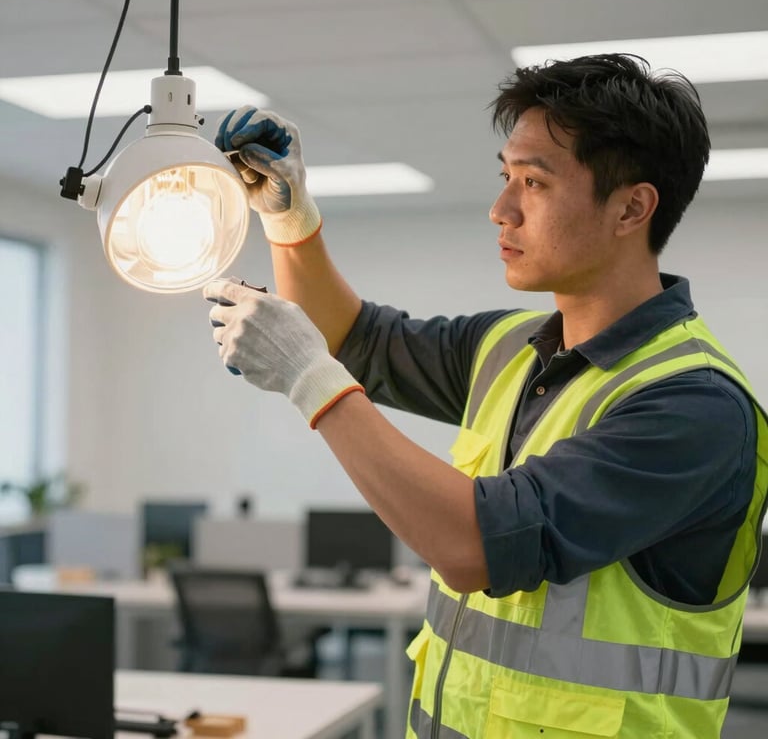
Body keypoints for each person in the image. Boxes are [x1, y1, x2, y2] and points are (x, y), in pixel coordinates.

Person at [204, 54, 768, 738]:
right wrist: (290, 218)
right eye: (507, 178)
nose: (501, 210)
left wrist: (309, 379)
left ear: (631, 207)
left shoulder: (695, 407)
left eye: (533, 183)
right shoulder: (510, 349)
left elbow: (474, 547)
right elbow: (349, 337)